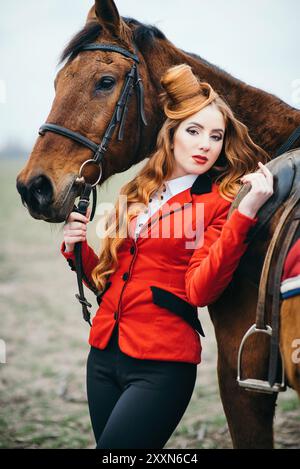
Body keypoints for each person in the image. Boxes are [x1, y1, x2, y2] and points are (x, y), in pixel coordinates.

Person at [60, 64, 273, 449]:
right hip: (103, 358)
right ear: (171, 134)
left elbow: (200, 290)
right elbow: (109, 282)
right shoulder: (136, 192)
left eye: (215, 136)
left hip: (161, 365)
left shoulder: (219, 204)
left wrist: (243, 214)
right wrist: (78, 250)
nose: (205, 144)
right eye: (193, 131)